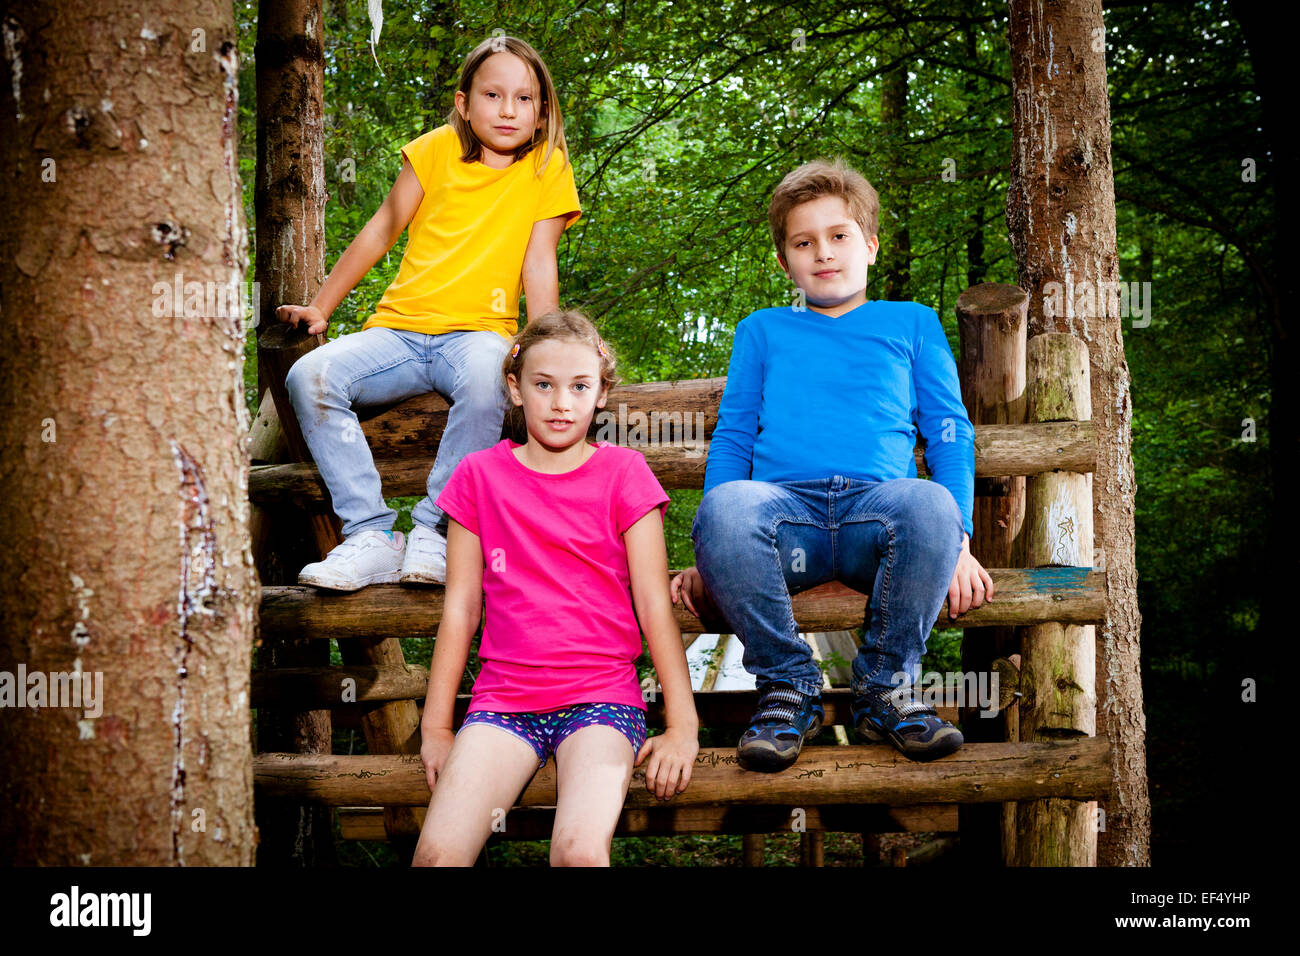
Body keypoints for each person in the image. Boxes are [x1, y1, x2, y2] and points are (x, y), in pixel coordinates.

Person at [671, 158, 995, 772]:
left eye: (839, 235)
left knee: (931, 503)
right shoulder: (762, 330)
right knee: (726, 507)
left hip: (877, 521)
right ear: (784, 262)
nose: (823, 252)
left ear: (869, 245)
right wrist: (711, 552)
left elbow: (950, 434)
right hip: (785, 521)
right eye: (804, 242)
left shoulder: (912, 322)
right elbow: (733, 439)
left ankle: (885, 688)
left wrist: (958, 543)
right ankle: (789, 687)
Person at [276, 36, 581, 590]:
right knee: (310, 376)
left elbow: (539, 262)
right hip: (398, 331)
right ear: (464, 103)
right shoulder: (435, 149)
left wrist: (548, 348)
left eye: (524, 99)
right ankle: (370, 534)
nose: (508, 110)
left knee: (490, 380)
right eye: (492, 95)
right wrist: (321, 305)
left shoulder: (547, 167)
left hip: (478, 334)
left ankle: (435, 530)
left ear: (541, 114)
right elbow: (381, 228)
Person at [412, 311, 699, 866]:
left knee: (577, 853)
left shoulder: (625, 473)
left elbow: (652, 607)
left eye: (580, 387)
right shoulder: (478, 476)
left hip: (601, 700)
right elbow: (461, 609)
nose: (561, 403)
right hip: (503, 702)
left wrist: (682, 726)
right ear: (515, 388)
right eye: (544, 385)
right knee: (437, 855)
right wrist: (438, 727)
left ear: (602, 393)